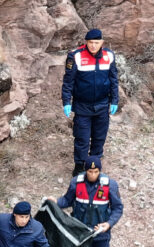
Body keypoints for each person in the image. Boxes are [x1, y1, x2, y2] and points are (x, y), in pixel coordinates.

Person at [61, 29, 118, 177]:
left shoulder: (109, 56)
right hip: (82, 106)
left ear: (102, 43)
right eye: (90, 42)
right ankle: (79, 167)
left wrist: (115, 100)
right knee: (82, 139)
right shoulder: (75, 56)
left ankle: (94, 166)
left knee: (99, 137)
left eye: (96, 43)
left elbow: (113, 80)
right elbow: (68, 82)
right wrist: (67, 101)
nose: (93, 46)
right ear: (86, 42)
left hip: (102, 105)